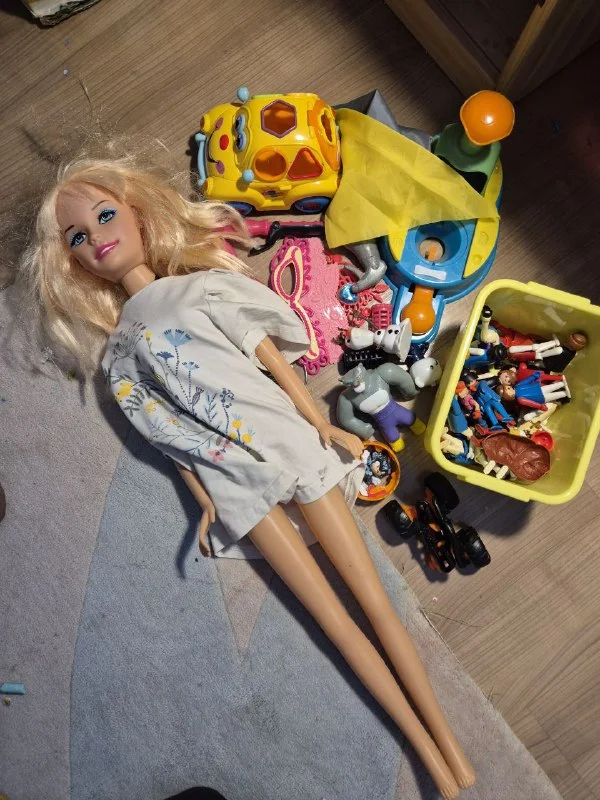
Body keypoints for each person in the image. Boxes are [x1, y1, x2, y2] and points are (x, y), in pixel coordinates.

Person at [20, 148, 474, 798]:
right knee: (333, 621)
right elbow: (170, 436)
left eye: (105, 215)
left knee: (373, 600)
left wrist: (320, 423)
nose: (97, 238)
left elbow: (271, 359)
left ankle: (449, 747)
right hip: (232, 481)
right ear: (74, 262)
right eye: (77, 237)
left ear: (139, 214)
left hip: (285, 440)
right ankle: (430, 757)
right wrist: (205, 501)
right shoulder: (118, 358)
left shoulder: (199, 288)